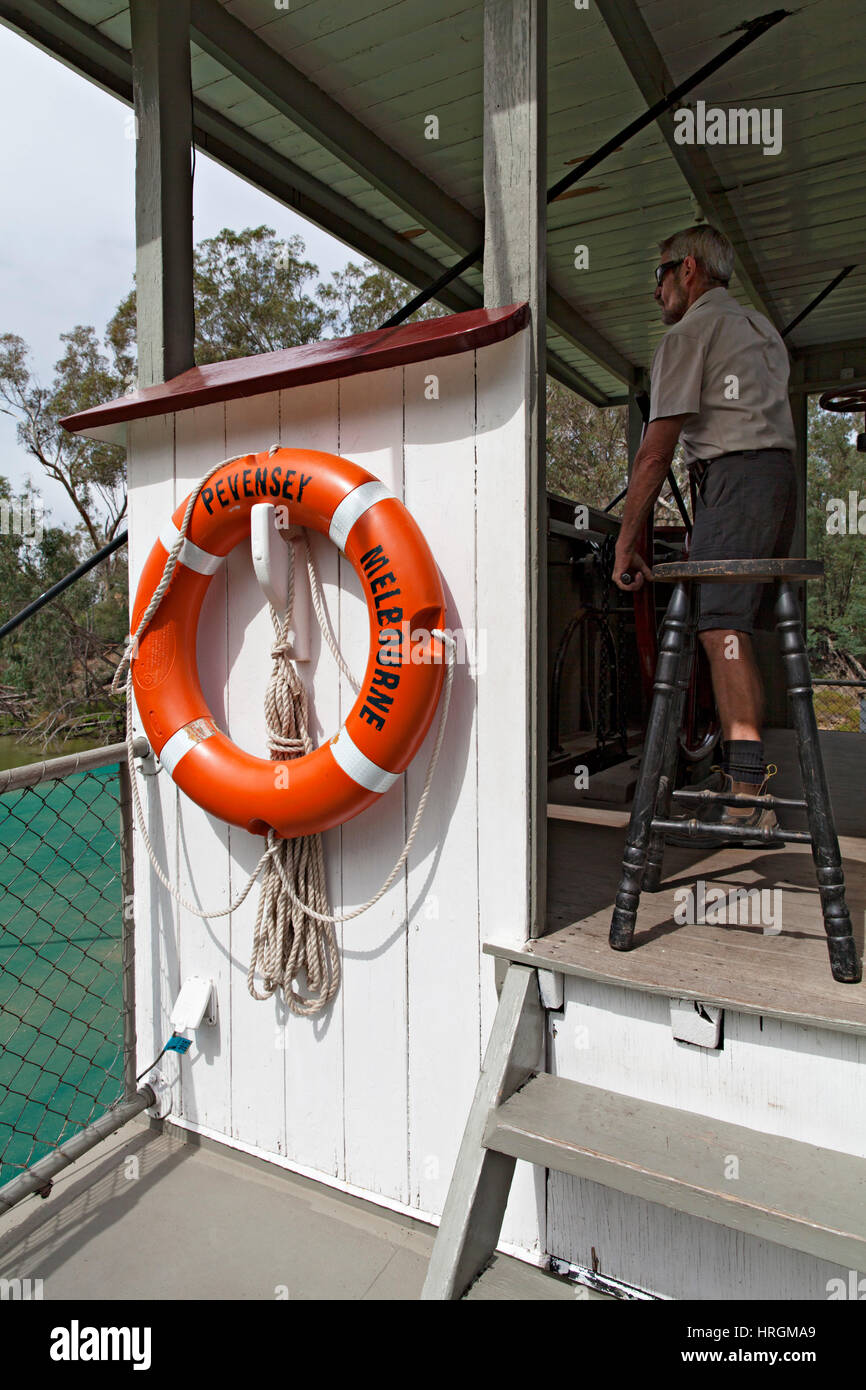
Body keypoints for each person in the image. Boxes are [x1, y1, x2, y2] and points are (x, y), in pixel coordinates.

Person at [612, 223, 797, 837]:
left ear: (687, 269)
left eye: (659, 274)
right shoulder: (759, 329)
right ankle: (744, 779)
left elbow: (653, 453)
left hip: (736, 484)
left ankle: (748, 795)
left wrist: (626, 541)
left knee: (722, 632)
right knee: (733, 630)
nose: (655, 289)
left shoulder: (692, 332)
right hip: (772, 484)